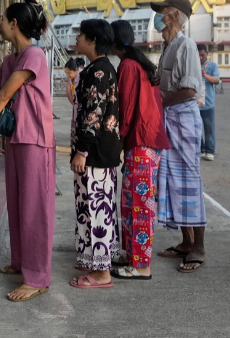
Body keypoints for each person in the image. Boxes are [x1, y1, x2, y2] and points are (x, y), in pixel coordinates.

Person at [0, 0, 54, 301]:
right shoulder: (10, 59)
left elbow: (4, 95)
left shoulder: (34, 55)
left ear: (14, 24)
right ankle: (22, 262)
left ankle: (38, 277)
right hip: (16, 137)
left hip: (35, 139)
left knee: (35, 207)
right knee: (17, 202)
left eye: (3, 19)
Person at [110, 19, 169, 281]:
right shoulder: (139, 63)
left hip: (141, 140)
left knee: (140, 203)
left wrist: (117, 141)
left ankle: (142, 265)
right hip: (147, 141)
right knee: (130, 201)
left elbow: (126, 109)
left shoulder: (128, 66)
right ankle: (133, 255)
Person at [152, 0, 208, 274]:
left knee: (189, 182)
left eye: (161, 12)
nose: (158, 17)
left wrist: (158, 103)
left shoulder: (186, 46)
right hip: (170, 119)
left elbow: (189, 90)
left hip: (183, 119)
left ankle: (198, 247)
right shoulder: (167, 46)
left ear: (174, 16)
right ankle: (186, 242)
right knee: (174, 182)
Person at [69, 18, 121, 289]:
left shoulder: (100, 71)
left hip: (95, 154)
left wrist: (81, 151)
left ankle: (102, 274)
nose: (77, 40)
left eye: (81, 35)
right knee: (89, 208)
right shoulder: (96, 69)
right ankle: (93, 258)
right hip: (96, 153)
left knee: (97, 209)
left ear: (92, 40)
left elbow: (94, 114)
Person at [197, 43, 220, 161]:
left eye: (202, 55)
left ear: (207, 53)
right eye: (198, 55)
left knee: (209, 128)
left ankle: (210, 151)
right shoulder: (193, 65)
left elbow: (216, 80)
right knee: (196, 128)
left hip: (208, 103)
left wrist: (205, 75)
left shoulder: (212, 66)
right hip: (195, 103)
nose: (200, 57)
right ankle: (200, 149)